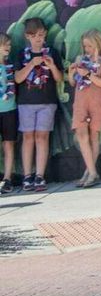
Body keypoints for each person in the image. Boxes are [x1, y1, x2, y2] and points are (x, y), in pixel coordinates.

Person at [13, 18, 63, 192]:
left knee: (42, 137)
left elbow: (59, 78)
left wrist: (52, 66)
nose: (38, 39)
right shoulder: (21, 54)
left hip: (47, 102)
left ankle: (40, 175)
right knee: (28, 137)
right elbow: (18, 78)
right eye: (34, 36)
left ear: (45, 34)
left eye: (41, 35)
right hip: (26, 103)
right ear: (27, 36)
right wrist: (31, 64)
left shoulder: (52, 53)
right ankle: (27, 176)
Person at [67, 30, 101, 188]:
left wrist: (88, 74)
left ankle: (89, 173)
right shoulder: (80, 59)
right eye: (85, 46)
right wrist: (71, 73)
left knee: (94, 135)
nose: (87, 49)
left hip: (97, 100)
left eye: (89, 45)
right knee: (81, 133)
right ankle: (93, 173)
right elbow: (73, 83)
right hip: (80, 99)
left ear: (98, 44)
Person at [0, 34, 16, 194]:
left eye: (9, 45)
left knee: (8, 143)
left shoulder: (10, 65)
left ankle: (7, 179)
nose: (8, 47)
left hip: (9, 109)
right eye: (4, 44)